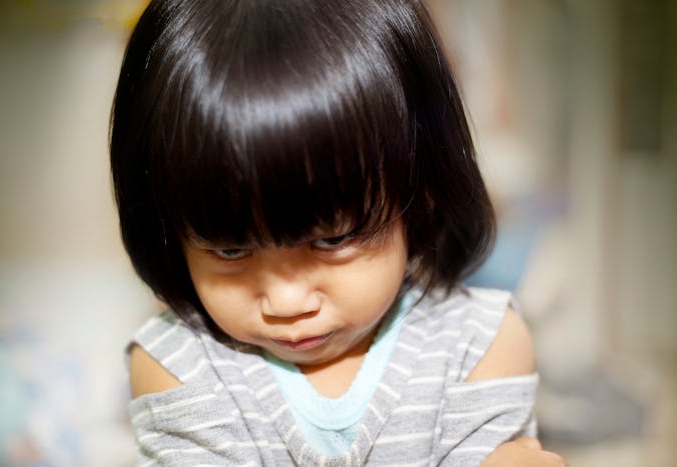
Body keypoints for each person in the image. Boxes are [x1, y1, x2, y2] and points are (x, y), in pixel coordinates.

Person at [110, 0, 566, 465]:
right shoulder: (174, 366)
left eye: (330, 240)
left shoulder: (481, 341)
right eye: (231, 250)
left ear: (421, 190)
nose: (287, 304)